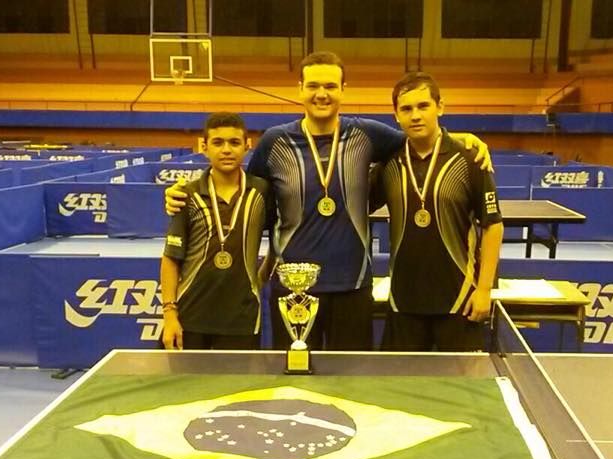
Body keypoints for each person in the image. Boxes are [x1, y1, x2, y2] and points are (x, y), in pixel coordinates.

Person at [165, 52, 493, 351]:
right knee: (292, 384)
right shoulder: (275, 142)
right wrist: (183, 191)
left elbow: (420, 137)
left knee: (348, 383)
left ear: (343, 90)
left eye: (330, 86)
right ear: (300, 89)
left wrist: (464, 139)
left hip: (352, 286)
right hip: (291, 289)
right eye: (313, 86)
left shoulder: (367, 134)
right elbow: (243, 191)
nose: (321, 94)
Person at [373, 72, 504, 352]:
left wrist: (484, 290)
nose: (415, 115)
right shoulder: (389, 163)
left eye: (423, 106)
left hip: (459, 299)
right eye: (406, 109)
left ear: (440, 107)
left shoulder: (470, 158)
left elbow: (493, 225)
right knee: (396, 380)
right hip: (403, 302)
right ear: (396, 115)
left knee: (461, 381)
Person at [160, 112, 273, 350]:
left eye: (234, 142)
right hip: (190, 315)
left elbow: (281, 235)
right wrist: (169, 314)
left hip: (242, 318)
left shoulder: (262, 191)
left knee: (237, 377)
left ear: (247, 146)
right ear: (204, 147)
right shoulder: (186, 195)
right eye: (218, 142)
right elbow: (171, 258)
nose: (226, 150)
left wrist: (261, 277)